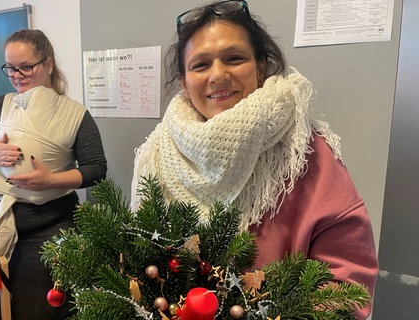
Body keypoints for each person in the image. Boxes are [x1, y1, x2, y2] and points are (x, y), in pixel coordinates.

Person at [130, 1, 378, 319]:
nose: (218, 75)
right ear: (184, 81)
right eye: (200, 65)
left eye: (234, 58)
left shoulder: (303, 150)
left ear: (260, 67)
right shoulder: (156, 154)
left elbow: (347, 274)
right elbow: (139, 257)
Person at [0, 29, 107, 319]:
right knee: (1, 304)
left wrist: (52, 181)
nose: (16, 75)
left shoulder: (74, 114)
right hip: (1, 223)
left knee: (45, 308)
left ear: (48, 65)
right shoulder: (0, 106)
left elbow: (97, 169)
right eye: (10, 67)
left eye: (25, 66)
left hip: (52, 229)